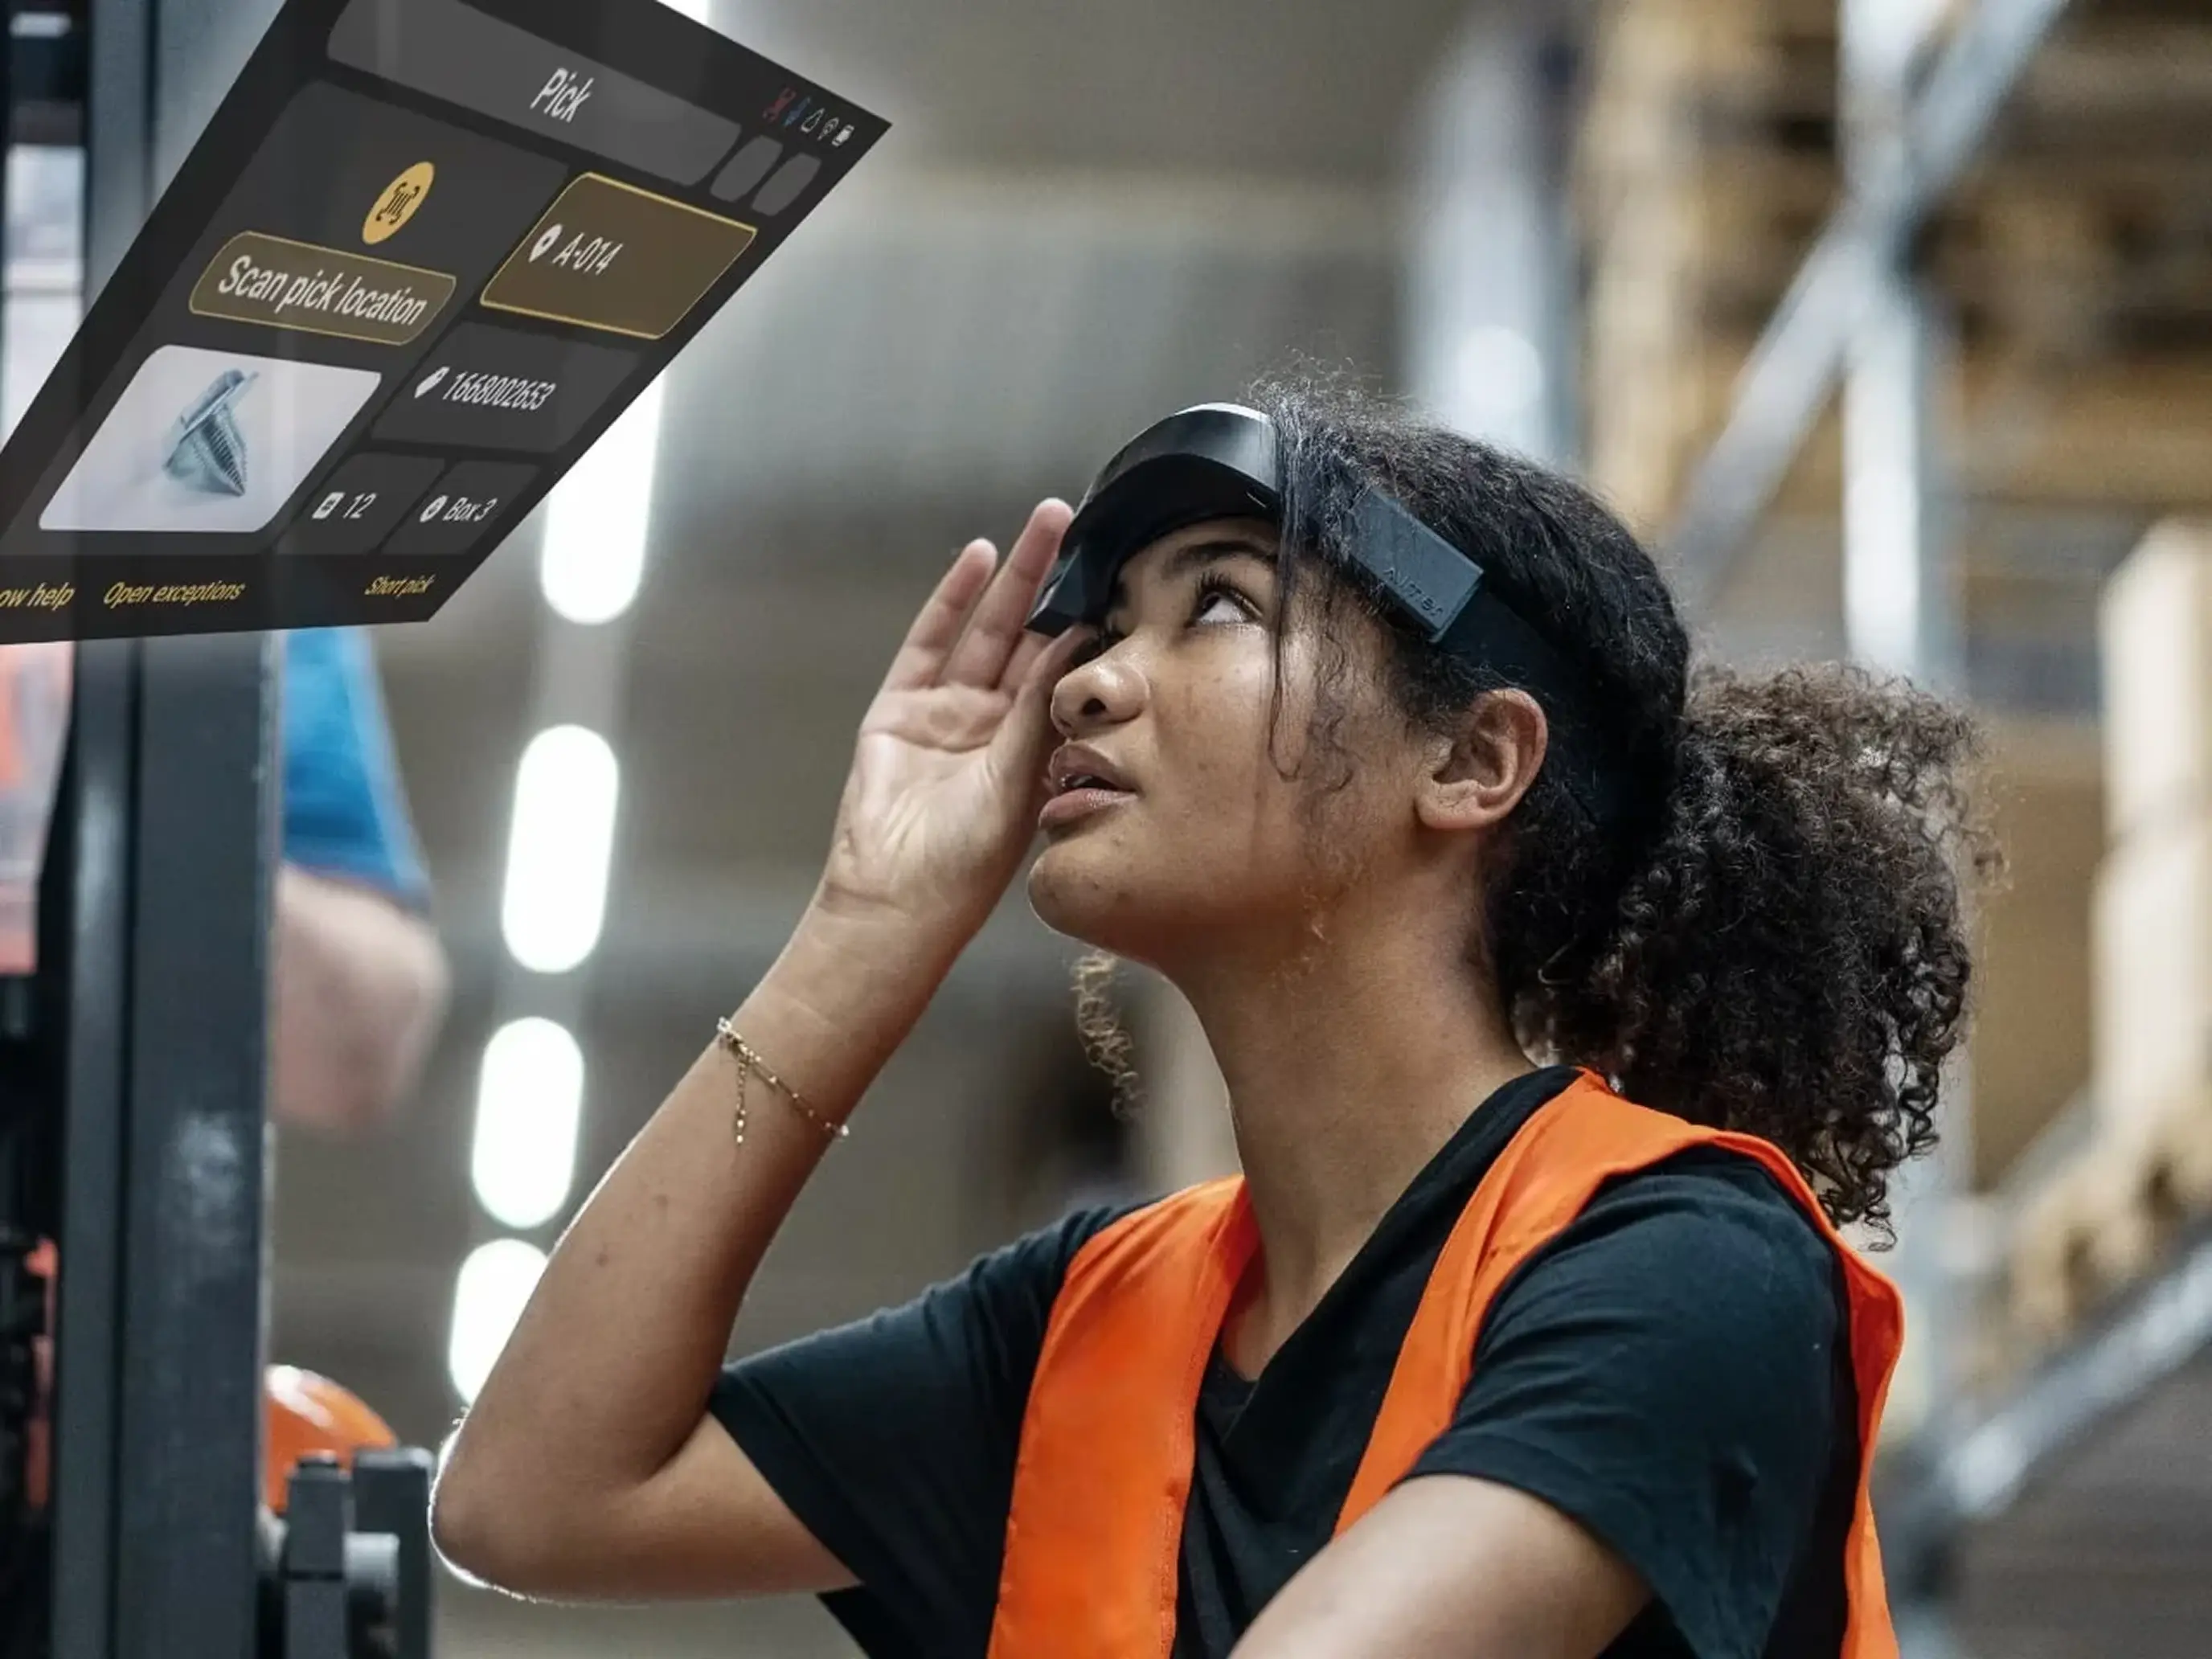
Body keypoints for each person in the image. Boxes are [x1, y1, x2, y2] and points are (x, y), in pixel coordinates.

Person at [428, 374, 1993, 1659]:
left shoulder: (1683, 1271)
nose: (1088, 682)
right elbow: (532, 1496)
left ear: (1469, 765)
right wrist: (870, 921)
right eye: (1106, 626)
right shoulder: (1082, 1329)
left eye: (1220, 609)